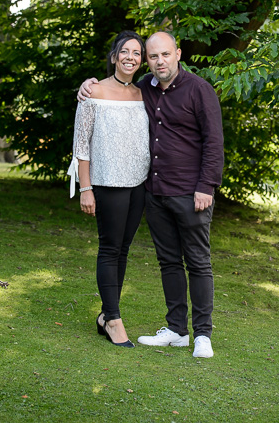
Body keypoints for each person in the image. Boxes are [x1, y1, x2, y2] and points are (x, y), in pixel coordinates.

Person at [78, 31, 224, 358]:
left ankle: (202, 334)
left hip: (191, 192)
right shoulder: (145, 87)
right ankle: (176, 329)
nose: (159, 61)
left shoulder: (200, 90)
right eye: (153, 56)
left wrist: (206, 186)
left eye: (165, 55)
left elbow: (214, 143)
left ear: (178, 54)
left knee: (198, 262)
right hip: (155, 192)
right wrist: (88, 85)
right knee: (169, 261)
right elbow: (110, 91)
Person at [68, 31, 151, 348]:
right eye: (125, 52)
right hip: (106, 182)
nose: (131, 57)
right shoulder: (94, 91)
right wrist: (85, 188)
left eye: (137, 53)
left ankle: (106, 315)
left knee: (124, 249)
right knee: (109, 248)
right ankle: (114, 320)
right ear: (115, 56)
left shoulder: (146, 94)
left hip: (139, 184)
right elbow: (81, 146)